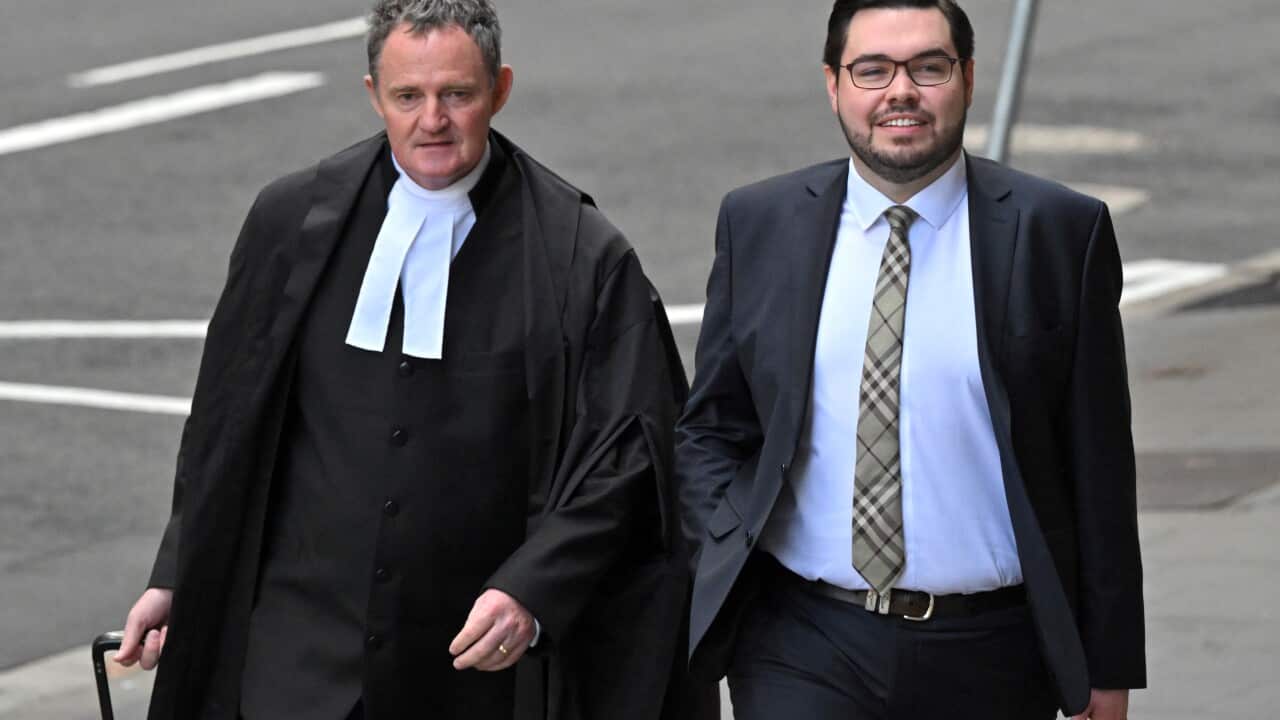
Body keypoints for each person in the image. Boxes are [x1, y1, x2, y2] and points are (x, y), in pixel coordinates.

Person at [113, 1, 708, 718]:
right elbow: (226, 423)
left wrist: (534, 587)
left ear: (500, 89)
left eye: (457, 94)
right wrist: (178, 572)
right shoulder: (291, 222)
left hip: (469, 675)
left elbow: (629, 458)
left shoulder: (580, 257)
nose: (433, 120)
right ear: (373, 95)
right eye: (408, 96)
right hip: (296, 663)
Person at [676, 1, 1145, 718]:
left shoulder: (1058, 232)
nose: (901, 91)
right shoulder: (760, 224)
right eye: (873, 70)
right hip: (802, 642)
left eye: (929, 67)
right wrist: (723, 553)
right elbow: (713, 427)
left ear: (967, 79)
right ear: (833, 84)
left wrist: (1106, 671)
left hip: (993, 648)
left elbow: (1099, 468)